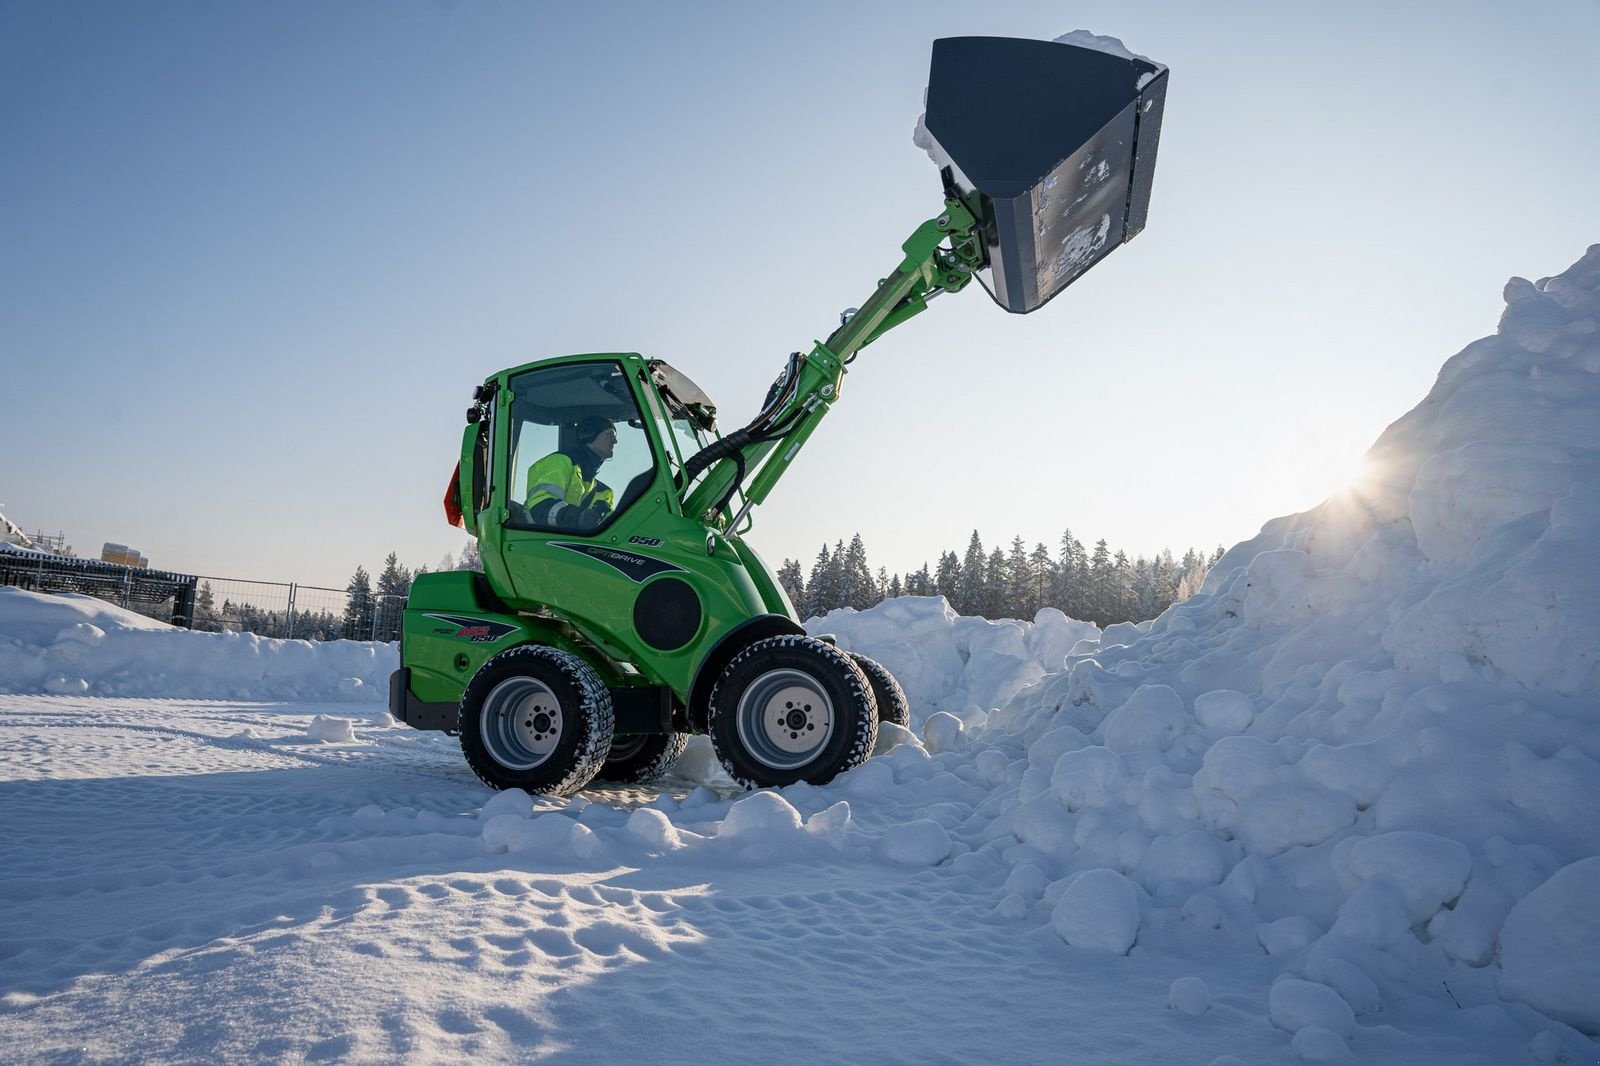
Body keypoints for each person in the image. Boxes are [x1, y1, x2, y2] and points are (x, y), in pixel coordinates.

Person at [525, 416, 617, 530]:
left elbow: (611, 529)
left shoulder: (604, 491)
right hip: (536, 540)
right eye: (609, 435)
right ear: (589, 434)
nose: (615, 441)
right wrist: (579, 517)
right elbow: (540, 507)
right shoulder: (557, 462)